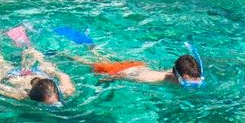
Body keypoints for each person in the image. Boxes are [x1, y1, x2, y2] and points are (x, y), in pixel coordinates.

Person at [0, 32, 76, 106]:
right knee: (0, 64)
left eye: (54, 101)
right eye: (51, 103)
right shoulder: (23, 95)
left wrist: (53, 71)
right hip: (16, 75)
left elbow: (64, 76)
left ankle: (23, 43)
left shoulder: (66, 90)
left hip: (36, 73)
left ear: (56, 90)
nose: (55, 103)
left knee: (42, 61)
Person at [68, 45, 205, 88]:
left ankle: (93, 48)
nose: (194, 83)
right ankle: (66, 54)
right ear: (179, 77)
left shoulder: (184, 74)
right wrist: (108, 77)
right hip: (124, 70)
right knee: (91, 63)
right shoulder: (151, 78)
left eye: (197, 80)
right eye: (188, 81)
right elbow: (127, 76)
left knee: (103, 58)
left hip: (139, 65)